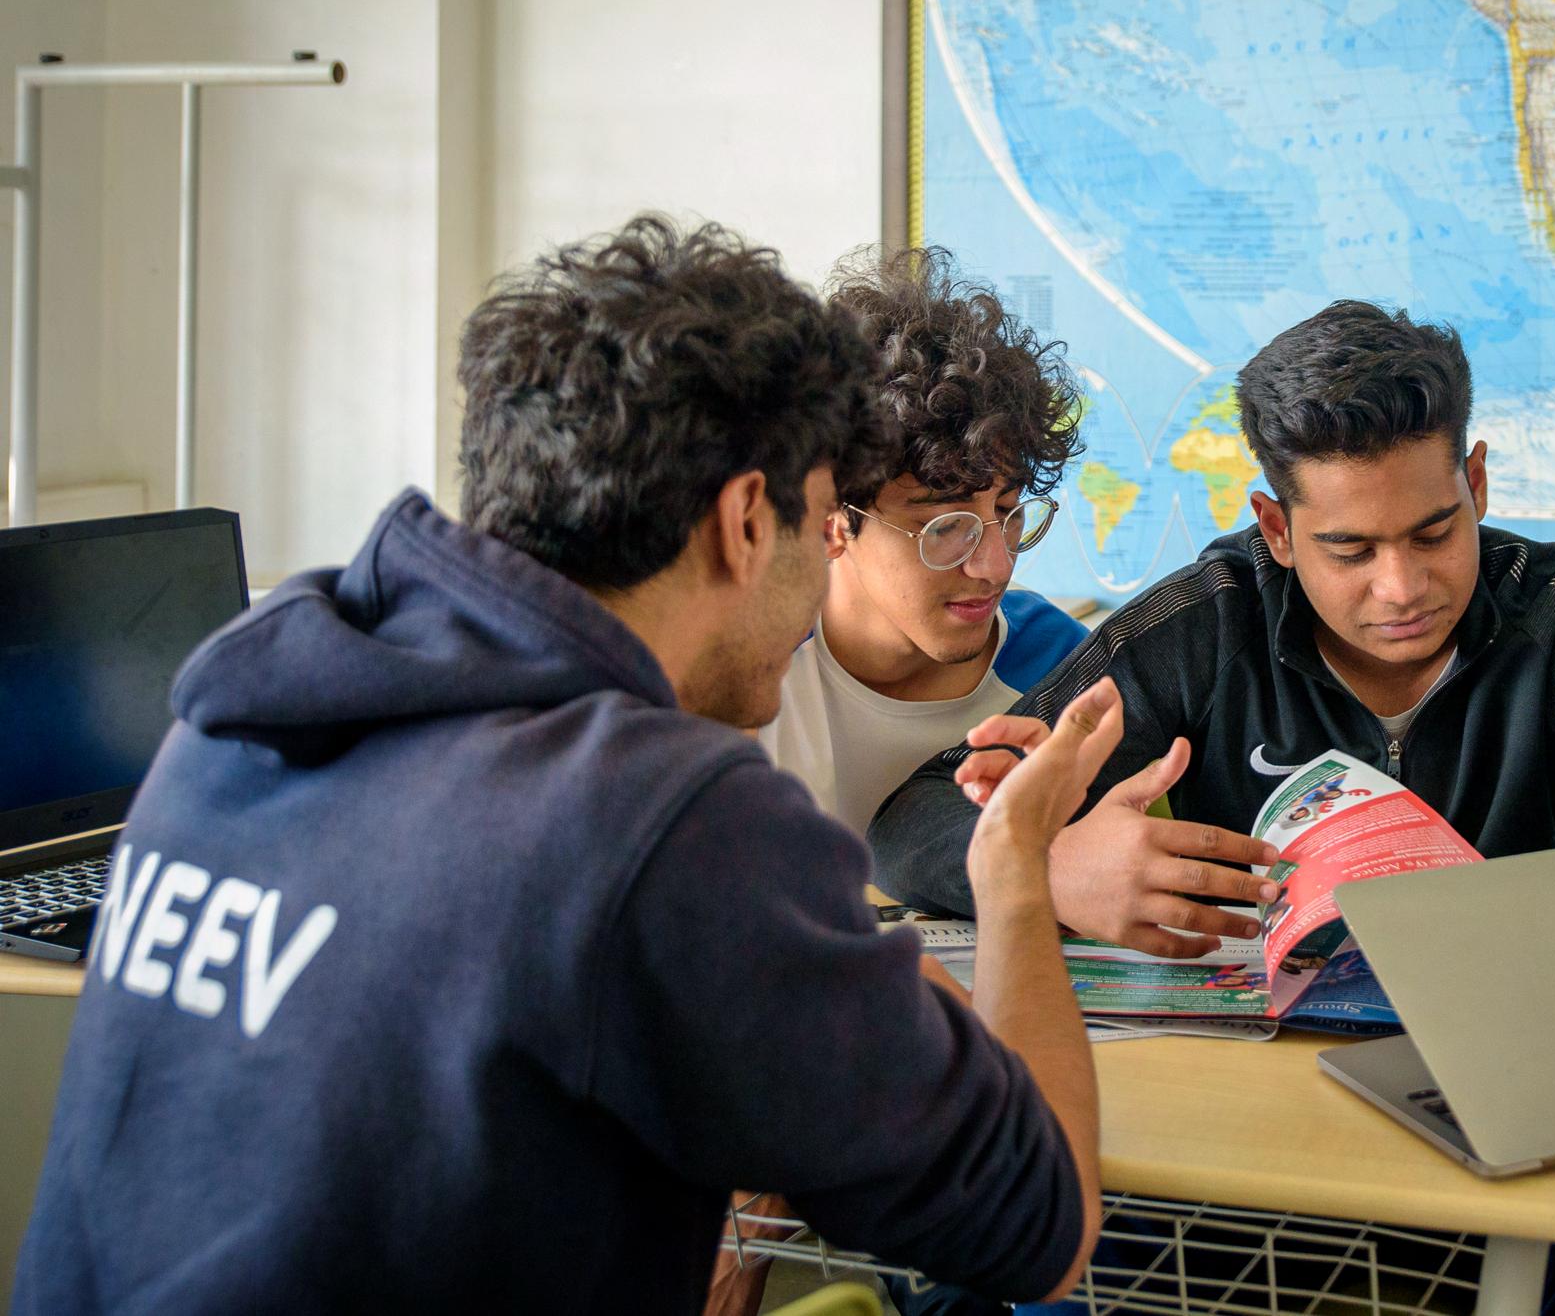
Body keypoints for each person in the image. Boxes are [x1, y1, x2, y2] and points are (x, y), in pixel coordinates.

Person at [15, 218, 1108, 1315]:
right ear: (744, 521)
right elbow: (1039, 1223)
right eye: (821, 519)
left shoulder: (235, 718)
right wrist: (1012, 864)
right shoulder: (664, 817)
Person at [873, 298, 1555, 950]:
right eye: (1350, 550)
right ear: (1277, 530)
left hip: (1523, 1049)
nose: (1402, 588)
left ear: (1476, 483)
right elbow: (916, 818)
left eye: (1434, 532)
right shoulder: (1204, 621)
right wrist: (1048, 867)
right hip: (1265, 1083)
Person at [755, 246, 1088, 843]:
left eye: (1007, 512)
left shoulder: (1065, 668)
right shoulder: (750, 672)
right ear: (833, 520)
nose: (996, 566)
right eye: (945, 526)